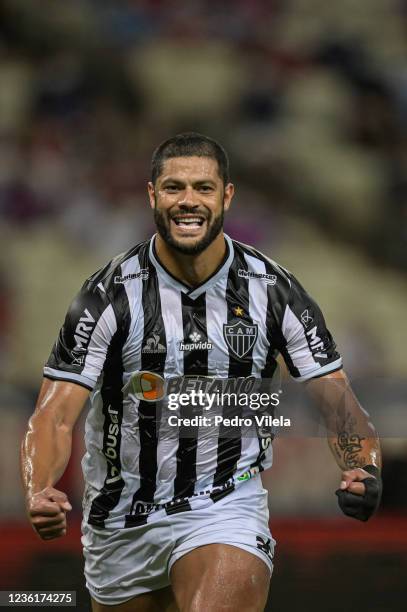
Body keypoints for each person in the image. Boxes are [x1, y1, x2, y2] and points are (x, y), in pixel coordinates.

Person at [21, 133, 382, 612]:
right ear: (152, 195)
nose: (188, 201)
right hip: (120, 521)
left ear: (226, 195)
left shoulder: (274, 292)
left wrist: (362, 466)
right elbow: (54, 414)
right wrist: (40, 488)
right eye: (173, 188)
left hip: (225, 506)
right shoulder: (107, 295)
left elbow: (338, 402)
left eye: (203, 188)